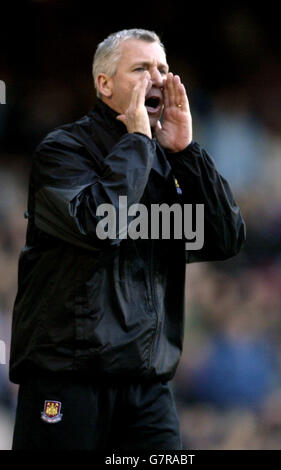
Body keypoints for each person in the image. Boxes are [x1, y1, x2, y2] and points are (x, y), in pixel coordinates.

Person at [9, 29, 246, 450]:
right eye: (140, 68)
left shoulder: (168, 160)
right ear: (104, 84)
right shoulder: (62, 151)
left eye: (162, 68)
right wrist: (137, 140)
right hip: (68, 379)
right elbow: (101, 225)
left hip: (147, 385)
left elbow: (223, 239)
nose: (156, 78)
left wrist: (187, 152)